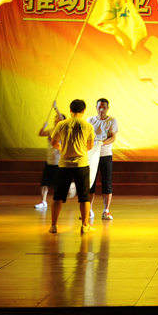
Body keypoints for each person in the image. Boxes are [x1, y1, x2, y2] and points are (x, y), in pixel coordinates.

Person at [49, 99, 96, 234]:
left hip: (64, 165)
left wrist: (63, 148)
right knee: (84, 197)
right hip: (81, 165)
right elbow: (90, 146)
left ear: (70, 110)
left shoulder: (61, 124)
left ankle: (54, 226)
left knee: (58, 196)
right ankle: (85, 225)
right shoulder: (88, 126)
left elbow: (54, 143)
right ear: (83, 111)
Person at [87, 98, 118, 222]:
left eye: (104, 107)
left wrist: (101, 143)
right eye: (99, 107)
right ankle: (89, 210)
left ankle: (106, 210)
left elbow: (112, 138)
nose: (101, 110)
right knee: (90, 183)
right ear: (96, 107)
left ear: (107, 108)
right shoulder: (90, 120)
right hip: (92, 156)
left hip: (105, 155)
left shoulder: (111, 121)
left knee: (107, 184)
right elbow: (87, 137)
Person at [36, 104, 66, 209]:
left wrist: (56, 108)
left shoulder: (64, 131)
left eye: (58, 121)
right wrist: (43, 127)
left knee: (57, 185)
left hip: (58, 163)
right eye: (55, 121)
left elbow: (62, 120)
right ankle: (43, 201)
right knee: (44, 183)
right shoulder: (51, 130)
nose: (56, 122)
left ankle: (57, 201)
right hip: (49, 161)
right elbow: (41, 133)